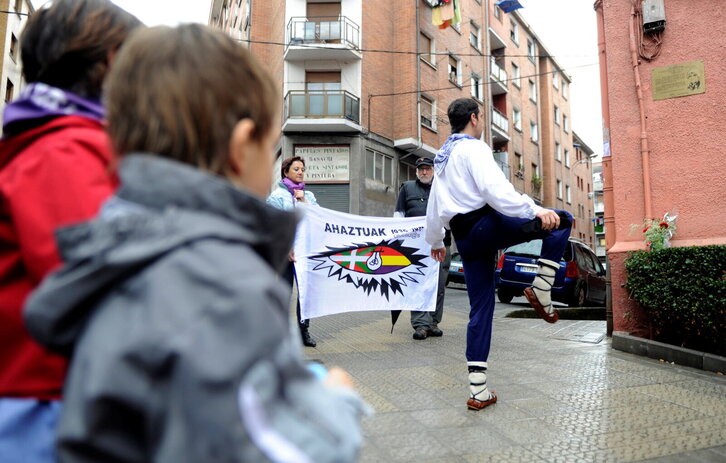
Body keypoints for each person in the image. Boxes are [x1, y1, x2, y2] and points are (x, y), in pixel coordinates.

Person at [24, 24, 365, 463]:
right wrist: (338, 403)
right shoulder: (224, 282)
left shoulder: (113, 239)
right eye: (271, 149)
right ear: (241, 147)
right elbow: (280, 452)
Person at [0, 1, 141, 461]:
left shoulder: (52, 138)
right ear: (113, 61)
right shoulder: (67, 149)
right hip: (46, 403)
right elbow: (96, 279)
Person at [425, 98, 573, 411]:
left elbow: (434, 205)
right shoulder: (473, 148)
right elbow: (495, 190)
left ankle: (478, 391)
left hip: (465, 239)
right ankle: (542, 286)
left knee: (480, 308)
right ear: (474, 118)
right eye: (482, 116)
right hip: (484, 225)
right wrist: (534, 209)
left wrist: (436, 240)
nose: (483, 121)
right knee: (562, 220)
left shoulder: (442, 156)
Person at [394, 157, 451, 340]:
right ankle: (421, 325)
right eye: (421, 169)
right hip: (416, 247)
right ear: (417, 171)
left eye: (427, 168)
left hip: (442, 245)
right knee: (418, 284)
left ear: (433, 170)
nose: (424, 172)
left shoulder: (444, 188)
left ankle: (433, 322)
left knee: (438, 285)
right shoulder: (407, 188)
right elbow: (398, 216)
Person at [267, 156, 318, 347]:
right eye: (296, 169)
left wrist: (303, 200)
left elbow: (319, 218)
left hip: (306, 252)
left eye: (303, 169)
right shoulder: (276, 197)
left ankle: (303, 331)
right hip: (286, 254)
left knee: (305, 294)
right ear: (286, 171)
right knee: (284, 293)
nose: (300, 172)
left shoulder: (309, 195)